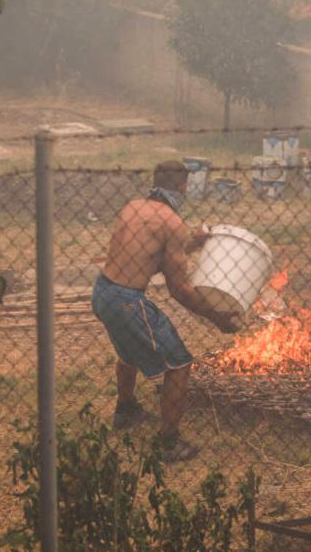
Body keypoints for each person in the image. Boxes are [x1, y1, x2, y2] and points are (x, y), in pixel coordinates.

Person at [92, 160, 239, 462]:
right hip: (128, 300)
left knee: (128, 351)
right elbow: (178, 288)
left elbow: (147, 257)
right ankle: (168, 443)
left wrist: (190, 244)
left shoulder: (132, 207)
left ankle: (126, 410)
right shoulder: (173, 223)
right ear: (183, 187)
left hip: (103, 292)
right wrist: (215, 316)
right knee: (179, 365)